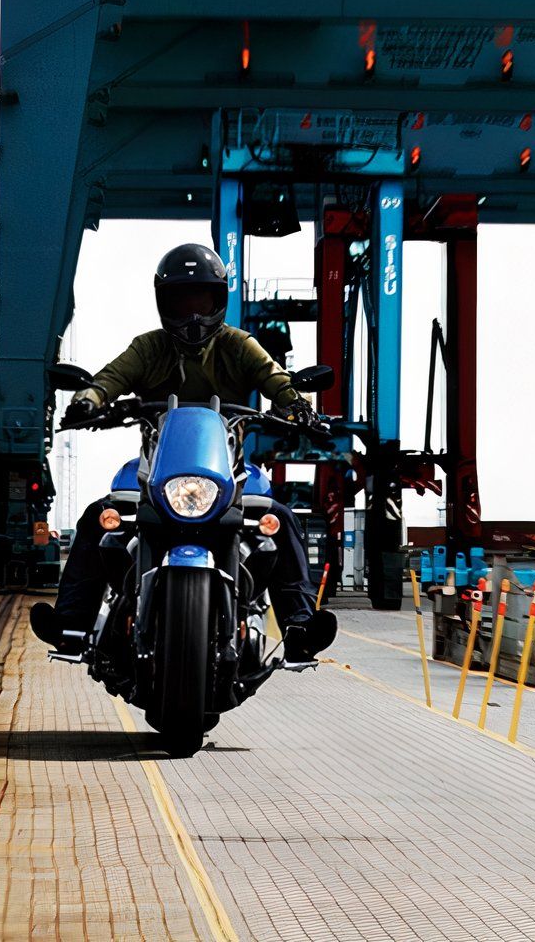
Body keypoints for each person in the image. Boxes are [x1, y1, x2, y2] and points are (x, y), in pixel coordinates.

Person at [29, 243, 336, 663]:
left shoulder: (238, 345)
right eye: (182, 300)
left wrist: (297, 404)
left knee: (279, 520)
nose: (193, 312)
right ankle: (72, 627)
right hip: (157, 473)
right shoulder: (150, 347)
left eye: (201, 300)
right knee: (100, 517)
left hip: (228, 473)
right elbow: (111, 377)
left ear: (218, 300)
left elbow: (273, 377)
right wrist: (89, 399)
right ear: (164, 303)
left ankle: (299, 630)